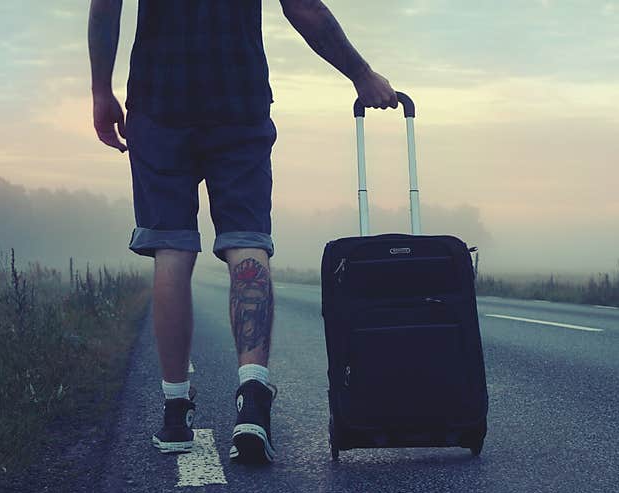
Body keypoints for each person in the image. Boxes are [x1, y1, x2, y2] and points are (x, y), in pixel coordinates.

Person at [88, 0, 397, 463]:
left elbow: (105, 7)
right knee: (247, 242)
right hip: (238, 101)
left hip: (158, 101)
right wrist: (360, 73)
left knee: (171, 248)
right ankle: (252, 399)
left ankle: (175, 412)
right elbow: (305, 9)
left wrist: (100, 90)